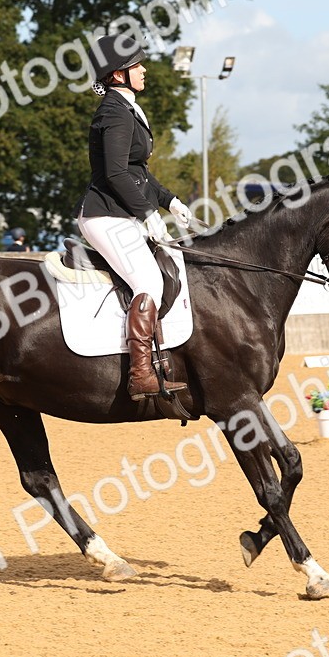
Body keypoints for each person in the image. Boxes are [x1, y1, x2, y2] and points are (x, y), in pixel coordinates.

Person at [75, 33, 193, 401]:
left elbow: (136, 170)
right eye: (135, 65)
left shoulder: (126, 108)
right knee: (148, 281)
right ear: (117, 75)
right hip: (105, 215)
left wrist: (169, 200)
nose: (143, 69)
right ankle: (141, 374)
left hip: (121, 212)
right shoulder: (113, 111)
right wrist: (145, 212)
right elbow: (113, 174)